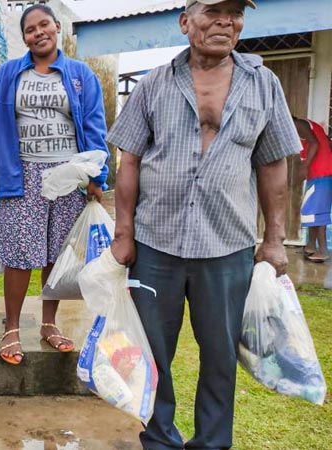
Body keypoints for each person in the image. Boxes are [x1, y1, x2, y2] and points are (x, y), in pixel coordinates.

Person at [107, 1, 300, 448]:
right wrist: (124, 234)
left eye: (234, 13)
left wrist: (274, 241)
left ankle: (213, 442)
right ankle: (160, 438)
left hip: (227, 247)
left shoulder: (263, 84)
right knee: (153, 354)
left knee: (219, 357)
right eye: (213, 11)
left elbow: (273, 164)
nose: (225, 22)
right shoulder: (155, 84)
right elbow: (129, 160)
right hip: (157, 245)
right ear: (184, 21)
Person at [0, 4, 109, 365]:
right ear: (25, 37)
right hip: (21, 175)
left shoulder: (81, 75)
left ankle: (49, 324)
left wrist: (97, 177)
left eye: (44, 25)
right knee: (20, 252)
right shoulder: (6, 76)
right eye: (31, 29)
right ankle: (13, 327)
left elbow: (96, 128)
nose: (39, 33)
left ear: (57, 28)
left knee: (56, 252)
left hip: (68, 177)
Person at [295, 116, 332, 262]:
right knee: (312, 212)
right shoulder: (309, 125)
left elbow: (315, 144)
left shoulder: (298, 125)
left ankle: (323, 251)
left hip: (321, 173)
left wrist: (304, 167)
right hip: (321, 172)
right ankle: (311, 246)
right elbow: (327, 143)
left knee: (317, 214)